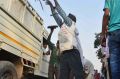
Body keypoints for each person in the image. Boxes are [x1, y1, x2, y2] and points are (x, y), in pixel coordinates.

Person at [46, 0, 84, 79]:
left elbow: (62, 14)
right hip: (64, 55)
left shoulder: (70, 24)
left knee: (78, 76)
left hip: (73, 53)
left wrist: (55, 2)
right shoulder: (63, 26)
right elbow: (56, 16)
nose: (64, 20)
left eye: (67, 18)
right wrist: (50, 5)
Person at [101, 0, 120, 79]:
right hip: (113, 33)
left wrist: (103, 34)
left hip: (114, 32)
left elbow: (106, 14)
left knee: (115, 67)